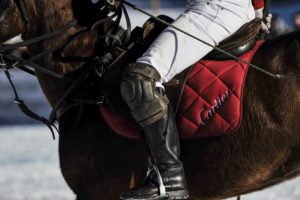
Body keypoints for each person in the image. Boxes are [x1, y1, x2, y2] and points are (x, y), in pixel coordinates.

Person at [72, 0, 272, 199]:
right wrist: (259, 9)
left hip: (215, 9)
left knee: (140, 78)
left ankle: (170, 176)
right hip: (228, 8)